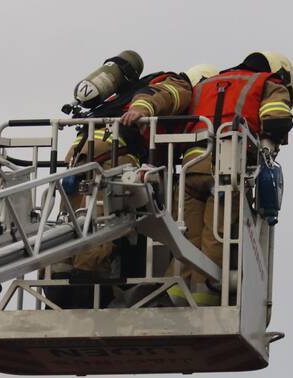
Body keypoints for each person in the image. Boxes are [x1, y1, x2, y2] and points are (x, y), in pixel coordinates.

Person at [49, 58, 199, 308]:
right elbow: (160, 96)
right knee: (100, 227)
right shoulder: (176, 82)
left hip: (79, 156)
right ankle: (82, 301)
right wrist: (142, 111)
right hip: (113, 156)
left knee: (71, 226)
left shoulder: (115, 97)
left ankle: (57, 297)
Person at [169, 52, 293, 306]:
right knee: (216, 236)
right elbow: (277, 117)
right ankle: (204, 299)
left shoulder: (206, 84)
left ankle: (174, 296)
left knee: (184, 237)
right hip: (226, 170)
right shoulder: (266, 82)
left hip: (191, 168)